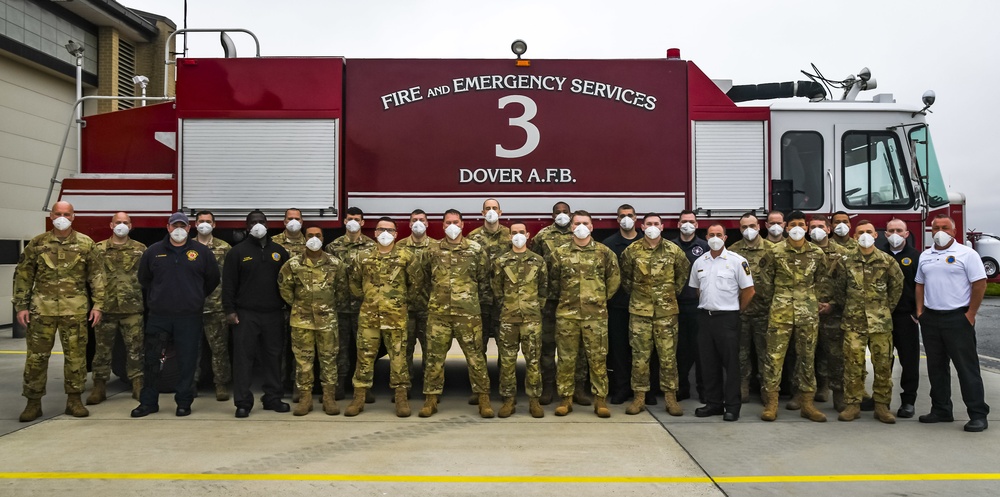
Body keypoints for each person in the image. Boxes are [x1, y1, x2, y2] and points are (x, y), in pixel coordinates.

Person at [15, 201, 105, 422]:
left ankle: (74, 401)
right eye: (58, 213)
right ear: (51, 215)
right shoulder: (37, 243)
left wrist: (98, 305)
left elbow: (97, 276)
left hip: (74, 310)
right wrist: (21, 306)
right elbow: (23, 275)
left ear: (73, 216)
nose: (62, 217)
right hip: (41, 310)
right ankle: (33, 402)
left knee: (76, 357)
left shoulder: (86, 243)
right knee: (36, 358)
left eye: (66, 213)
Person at [131, 212, 219, 417]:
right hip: (159, 316)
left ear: (189, 228)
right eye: (175, 225)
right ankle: (148, 402)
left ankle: (184, 402)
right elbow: (145, 279)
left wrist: (194, 297)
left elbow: (212, 279)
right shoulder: (153, 252)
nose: (179, 229)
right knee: (152, 360)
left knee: (187, 361)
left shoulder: (202, 252)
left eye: (183, 225)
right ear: (168, 227)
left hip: (189, 317)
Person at [414, 209, 494, 418]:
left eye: (455, 222)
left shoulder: (476, 250)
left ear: (462, 224)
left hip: (468, 314)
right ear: (442, 226)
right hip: (438, 314)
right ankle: (430, 400)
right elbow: (422, 281)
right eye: (448, 222)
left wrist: (476, 306)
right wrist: (432, 303)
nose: (452, 225)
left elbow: (484, 281)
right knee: (434, 358)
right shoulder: (431, 251)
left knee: (476, 357)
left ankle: (483, 399)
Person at [915, 215, 990, 432]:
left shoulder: (967, 254)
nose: (940, 231)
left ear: (954, 231)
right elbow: (919, 284)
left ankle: (977, 414)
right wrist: (920, 311)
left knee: (967, 369)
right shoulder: (925, 256)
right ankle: (941, 409)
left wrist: (970, 314)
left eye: (945, 227)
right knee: (936, 368)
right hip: (931, 319)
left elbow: (980, 284)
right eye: (936, 227)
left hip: (958, 318)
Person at [756, 210, 829, 422]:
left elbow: (823, 282)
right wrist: (778, 301)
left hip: (807, 313)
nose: (797, 228)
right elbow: (763, 282)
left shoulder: (817, 253)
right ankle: (771, 404)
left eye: (801, 224)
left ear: (806, 228)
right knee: (774, 358)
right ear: (787, 228)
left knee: (807, 358)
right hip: (781, 313)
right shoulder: (774, 252)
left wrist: (815, 301)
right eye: (793, 224)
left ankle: (807, 403)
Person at [548, 210, 620, 418]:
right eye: (577, 223)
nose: (580, 226)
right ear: (571, 227)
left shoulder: (603, 252)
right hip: (567, 315)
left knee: (597, 359)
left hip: (595, 315)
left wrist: (600, 298)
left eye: (585, 223)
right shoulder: (559, 253)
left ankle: (600, 400)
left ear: (591, 226)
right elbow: (553, 282)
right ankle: (565, 399)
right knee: (566, 359)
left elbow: (614, 279)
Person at [347, 218, 418, 417]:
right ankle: (359, 397)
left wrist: (399, 303)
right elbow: (353, 283)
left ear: (396, 234)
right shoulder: (362, 256)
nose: (385, 233)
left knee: (398, 358)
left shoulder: (407, 256)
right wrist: (369, 299)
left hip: (395, 317)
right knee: (364, 357)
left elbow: (415, 284)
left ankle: (401, 397)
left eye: (390, 230)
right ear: (375, 233)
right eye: (381, 229)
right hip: (369, 316)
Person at [619, 213, 689, 416]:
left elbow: (682, 275)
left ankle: (670, 398)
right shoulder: (631, 251)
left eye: (656, 224)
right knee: (639, 357)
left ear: (662, 226)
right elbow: (625, 278)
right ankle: (639, 398)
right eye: (648, 224)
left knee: (668, 357)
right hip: (640, 312)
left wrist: (667, 295)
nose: (652, 227)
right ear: (642, 227)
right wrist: (640, 296)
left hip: (666, 313)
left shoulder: (673, 250)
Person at [225, 210, 291, 418]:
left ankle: (273, 398)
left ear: (267, 224)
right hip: (245, 315)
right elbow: (228, 284)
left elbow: (288, 284)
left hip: (273, 313)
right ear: (247, 226)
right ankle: (243, 402)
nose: (258, 225)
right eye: (253, 222)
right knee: (244, 359)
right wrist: (230, 310)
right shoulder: (236, 252)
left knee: (273, 358)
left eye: (261, 221)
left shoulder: (279, 252)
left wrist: (287, 308)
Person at [838, 220, 903, 423]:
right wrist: (850, 307)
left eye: (869, 231)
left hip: (880, 323)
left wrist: (884, 309)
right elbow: (839, 289)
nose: (865, 235)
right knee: (852, 365)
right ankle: (853, 405)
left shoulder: (887, 260)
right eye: (860, 232)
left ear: (876, 235)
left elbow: (897, 287)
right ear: (855, 237)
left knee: (883, 364)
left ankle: (882, 406)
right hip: (853, 323)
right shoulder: (845, 261)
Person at [689, 223, 755, 421]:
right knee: (708, 364)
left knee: (731, 365)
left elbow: (749, 291)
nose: (715, 237)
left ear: (725, 238)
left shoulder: (737, 261)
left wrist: (735, 311)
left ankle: (732, 406)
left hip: (728, 319)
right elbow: (697, 289)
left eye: (719, 234)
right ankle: (713, 404)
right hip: (705, 318)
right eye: (711, 234)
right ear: (706, 237)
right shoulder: (700, 262)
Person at [278, 226, 347, 416]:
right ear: (304, 238)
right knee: (303, 361)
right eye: (310, 235)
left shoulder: (335, 263)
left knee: (329, 360)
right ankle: (305, 398)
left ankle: (328, 398)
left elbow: (342, 290)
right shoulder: (293, 264)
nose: (314, 238)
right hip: (301, 321)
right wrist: (299, 307)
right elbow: (285, 289)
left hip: (327, 321)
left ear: (323, 238)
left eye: (318, 235)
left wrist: (329, 307)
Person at [88, 212, 146, 405]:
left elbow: (149, 277)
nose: (122, 225)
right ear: (111, 225)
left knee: (135, 349)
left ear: (131, 225)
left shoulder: (140, 249)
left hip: (132, 308)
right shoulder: (98, 249)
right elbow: (92, 277)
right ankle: (99, 386)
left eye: (125, 222)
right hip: (106, 308)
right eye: (118, 222)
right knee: (102, 350)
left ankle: (138, 384)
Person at [491, 222, 548, 418]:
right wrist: (508, 306)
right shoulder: (501, 262)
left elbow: (544, 289)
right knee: (507, 361)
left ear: (528, 235)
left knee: (533, 361)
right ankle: (508, 400)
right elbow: (497, 290)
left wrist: (534, 307)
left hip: (532, 319)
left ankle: (534, 401)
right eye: (514, 233)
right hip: (508, 318)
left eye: (521, 232)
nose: (517, 236)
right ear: (509, 237)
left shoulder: (538, 261)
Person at [325, 206, 376, 401]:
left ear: (363, 222)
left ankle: (364, 388)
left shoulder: (372, 247)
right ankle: (338, 385)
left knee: (365, 349)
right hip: (339, 308)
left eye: (357, 218)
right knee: (338, 349)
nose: (353, 221)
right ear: (344, 221)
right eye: (350, 218)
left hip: (363, 308)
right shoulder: (333, 247)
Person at [529, 201, 577, 405]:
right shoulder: (543, 235)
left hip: (572, 300)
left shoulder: (579, 233)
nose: (562, 215)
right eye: (558, 212)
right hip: (549, 301)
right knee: (547, 347)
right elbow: (534, 263)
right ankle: (547, 387)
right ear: (552, 215)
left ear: (571, 213)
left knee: (574, 349)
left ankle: (576, 388)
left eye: (565, 212)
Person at [467, 198, 512, 403]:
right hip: (481, 300)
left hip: (504, 301)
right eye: (488, 208)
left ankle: (505, 389)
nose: (491, 211)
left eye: (495, 208)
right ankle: (480, 390)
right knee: (478, 346)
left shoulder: (510, 236)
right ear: (482, 212)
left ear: (501, 212)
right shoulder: (473, 237)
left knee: (505, 347)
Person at [727, 212, 774, 403]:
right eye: (744, 227)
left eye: (752, 226)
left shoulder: (773, 250)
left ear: (759, 227)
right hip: (742, 311)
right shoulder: (733, 251)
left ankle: (767, 389)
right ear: (739, 229)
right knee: (741, 352)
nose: (749, 230)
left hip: (766, 311)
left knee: (766, 353)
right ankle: (742, 386)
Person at [806, 214, 848, 411]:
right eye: (813, 226)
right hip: (807, 310)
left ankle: (838, 393)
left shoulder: (842, 253)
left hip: (833, 311)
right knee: (809, 354)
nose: (817, 229)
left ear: (829, 229)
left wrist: (833, 304)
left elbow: (848, 285)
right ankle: (818, 387)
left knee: (834, 354)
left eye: (821, 226)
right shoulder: (802, 252)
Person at [601, 204, 642, 404]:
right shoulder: (609, 245)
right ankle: (621, 388)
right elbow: (604, 275)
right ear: (617, 220)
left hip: (643, 307)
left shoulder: (646, 242)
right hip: (618, 305)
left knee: (642, 350)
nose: (626, 218)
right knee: (618, 349)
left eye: (630, 215)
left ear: (636, 218)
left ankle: (644, 391)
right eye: (622, 216)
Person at [881, 218, 921, 418]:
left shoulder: (916, 257)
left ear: (906, 233)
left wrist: (917, 313)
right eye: (891, 230)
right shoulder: (879, 255)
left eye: (899, 230)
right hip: (882, 318)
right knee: (883, 361)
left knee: (909, 361)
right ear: (885, 234)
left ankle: (908, 402)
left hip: (906, 318)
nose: (895, 234)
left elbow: (922, 287)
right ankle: (881, 400)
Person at [193, 210, 233, 401]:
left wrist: (229, 305)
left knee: (219, 349)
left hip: (216, 306)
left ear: (214, 224)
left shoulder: (224, 248)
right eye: (201, 221)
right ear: (195, 224)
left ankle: (221, 384)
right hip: (191, 307)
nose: (204, 224)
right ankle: (191, 383)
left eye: (208, 221)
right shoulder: (186, 246)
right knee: (191, 348)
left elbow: (231, 278)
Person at [671, 209, 708, 403]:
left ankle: (703, 391)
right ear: (678, 224)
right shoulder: (670, 247)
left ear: (697, 224)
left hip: (697, 306)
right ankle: (681, 388)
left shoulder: (705, 247)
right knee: (679, 351)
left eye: (691, 221)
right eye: (684, 221)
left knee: (700, 350)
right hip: (675, 306)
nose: (687, 224)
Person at [398, 209, 435, 380]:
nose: (418, 223)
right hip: (406, 308)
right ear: (410, 224)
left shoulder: (437, 247)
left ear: (427, 223)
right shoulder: (398, 247)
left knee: (431, 351)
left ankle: (430, 389)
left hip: (429, 308)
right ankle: (405, 387)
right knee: (404, 349)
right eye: (414, 220)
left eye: (421, 219)